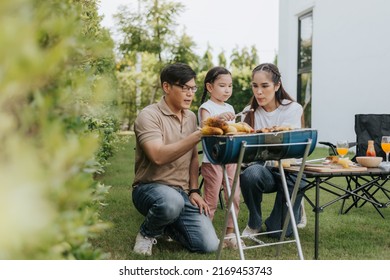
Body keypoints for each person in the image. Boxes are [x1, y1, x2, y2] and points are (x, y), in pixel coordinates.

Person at [132, 62, 219, 256]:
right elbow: (157, 156)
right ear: (167, 87)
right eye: (184, 88)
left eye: (193, 88)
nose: (190, 93)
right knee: (171, 202)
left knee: (209, 245)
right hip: (149, 188)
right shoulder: (149, 115)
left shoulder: (190, 118)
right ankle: (147, 234)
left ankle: (167, 226)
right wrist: (196, 136)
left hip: (182, 193)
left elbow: (192, 158)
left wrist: (195, 190)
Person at [240, 63, 305, 238]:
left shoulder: (293, 109)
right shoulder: (249, 112)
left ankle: (296, 207)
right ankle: (254, 222)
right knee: (250, 173)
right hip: (265, 171)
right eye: (255, 86)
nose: (259, 92)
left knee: (278, 233)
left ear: (276, 86)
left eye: (264, 86)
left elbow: (287, 148)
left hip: (290, 172)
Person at [198, 66, 243, 249]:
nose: (227, 90)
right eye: (222, 85)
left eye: (230, 86)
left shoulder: (231, 107)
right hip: (213, 160)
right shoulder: (206, 108)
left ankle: (230, 234)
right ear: (210, 87)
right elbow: (205, 127)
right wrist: (220, 118)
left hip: (231, 158)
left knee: (234, 196)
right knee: (211, 199)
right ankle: (204, 233)